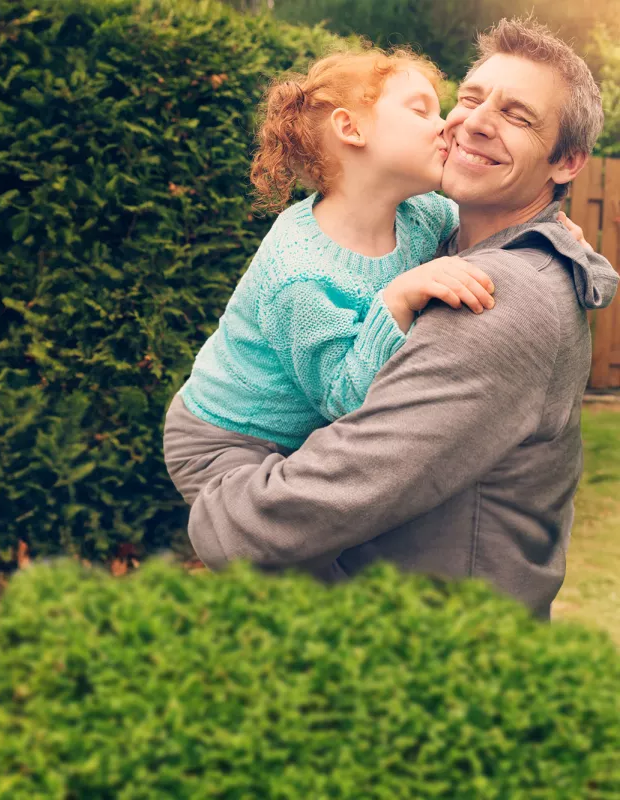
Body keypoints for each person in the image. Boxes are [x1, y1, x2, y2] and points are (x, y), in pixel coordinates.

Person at [184, 16, 620, 619]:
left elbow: (343, 476)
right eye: (468, 98)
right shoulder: (438, 236)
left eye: (517, 116)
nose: (470, 121)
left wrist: (219, 516)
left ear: (567, 161)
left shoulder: (494, 299)